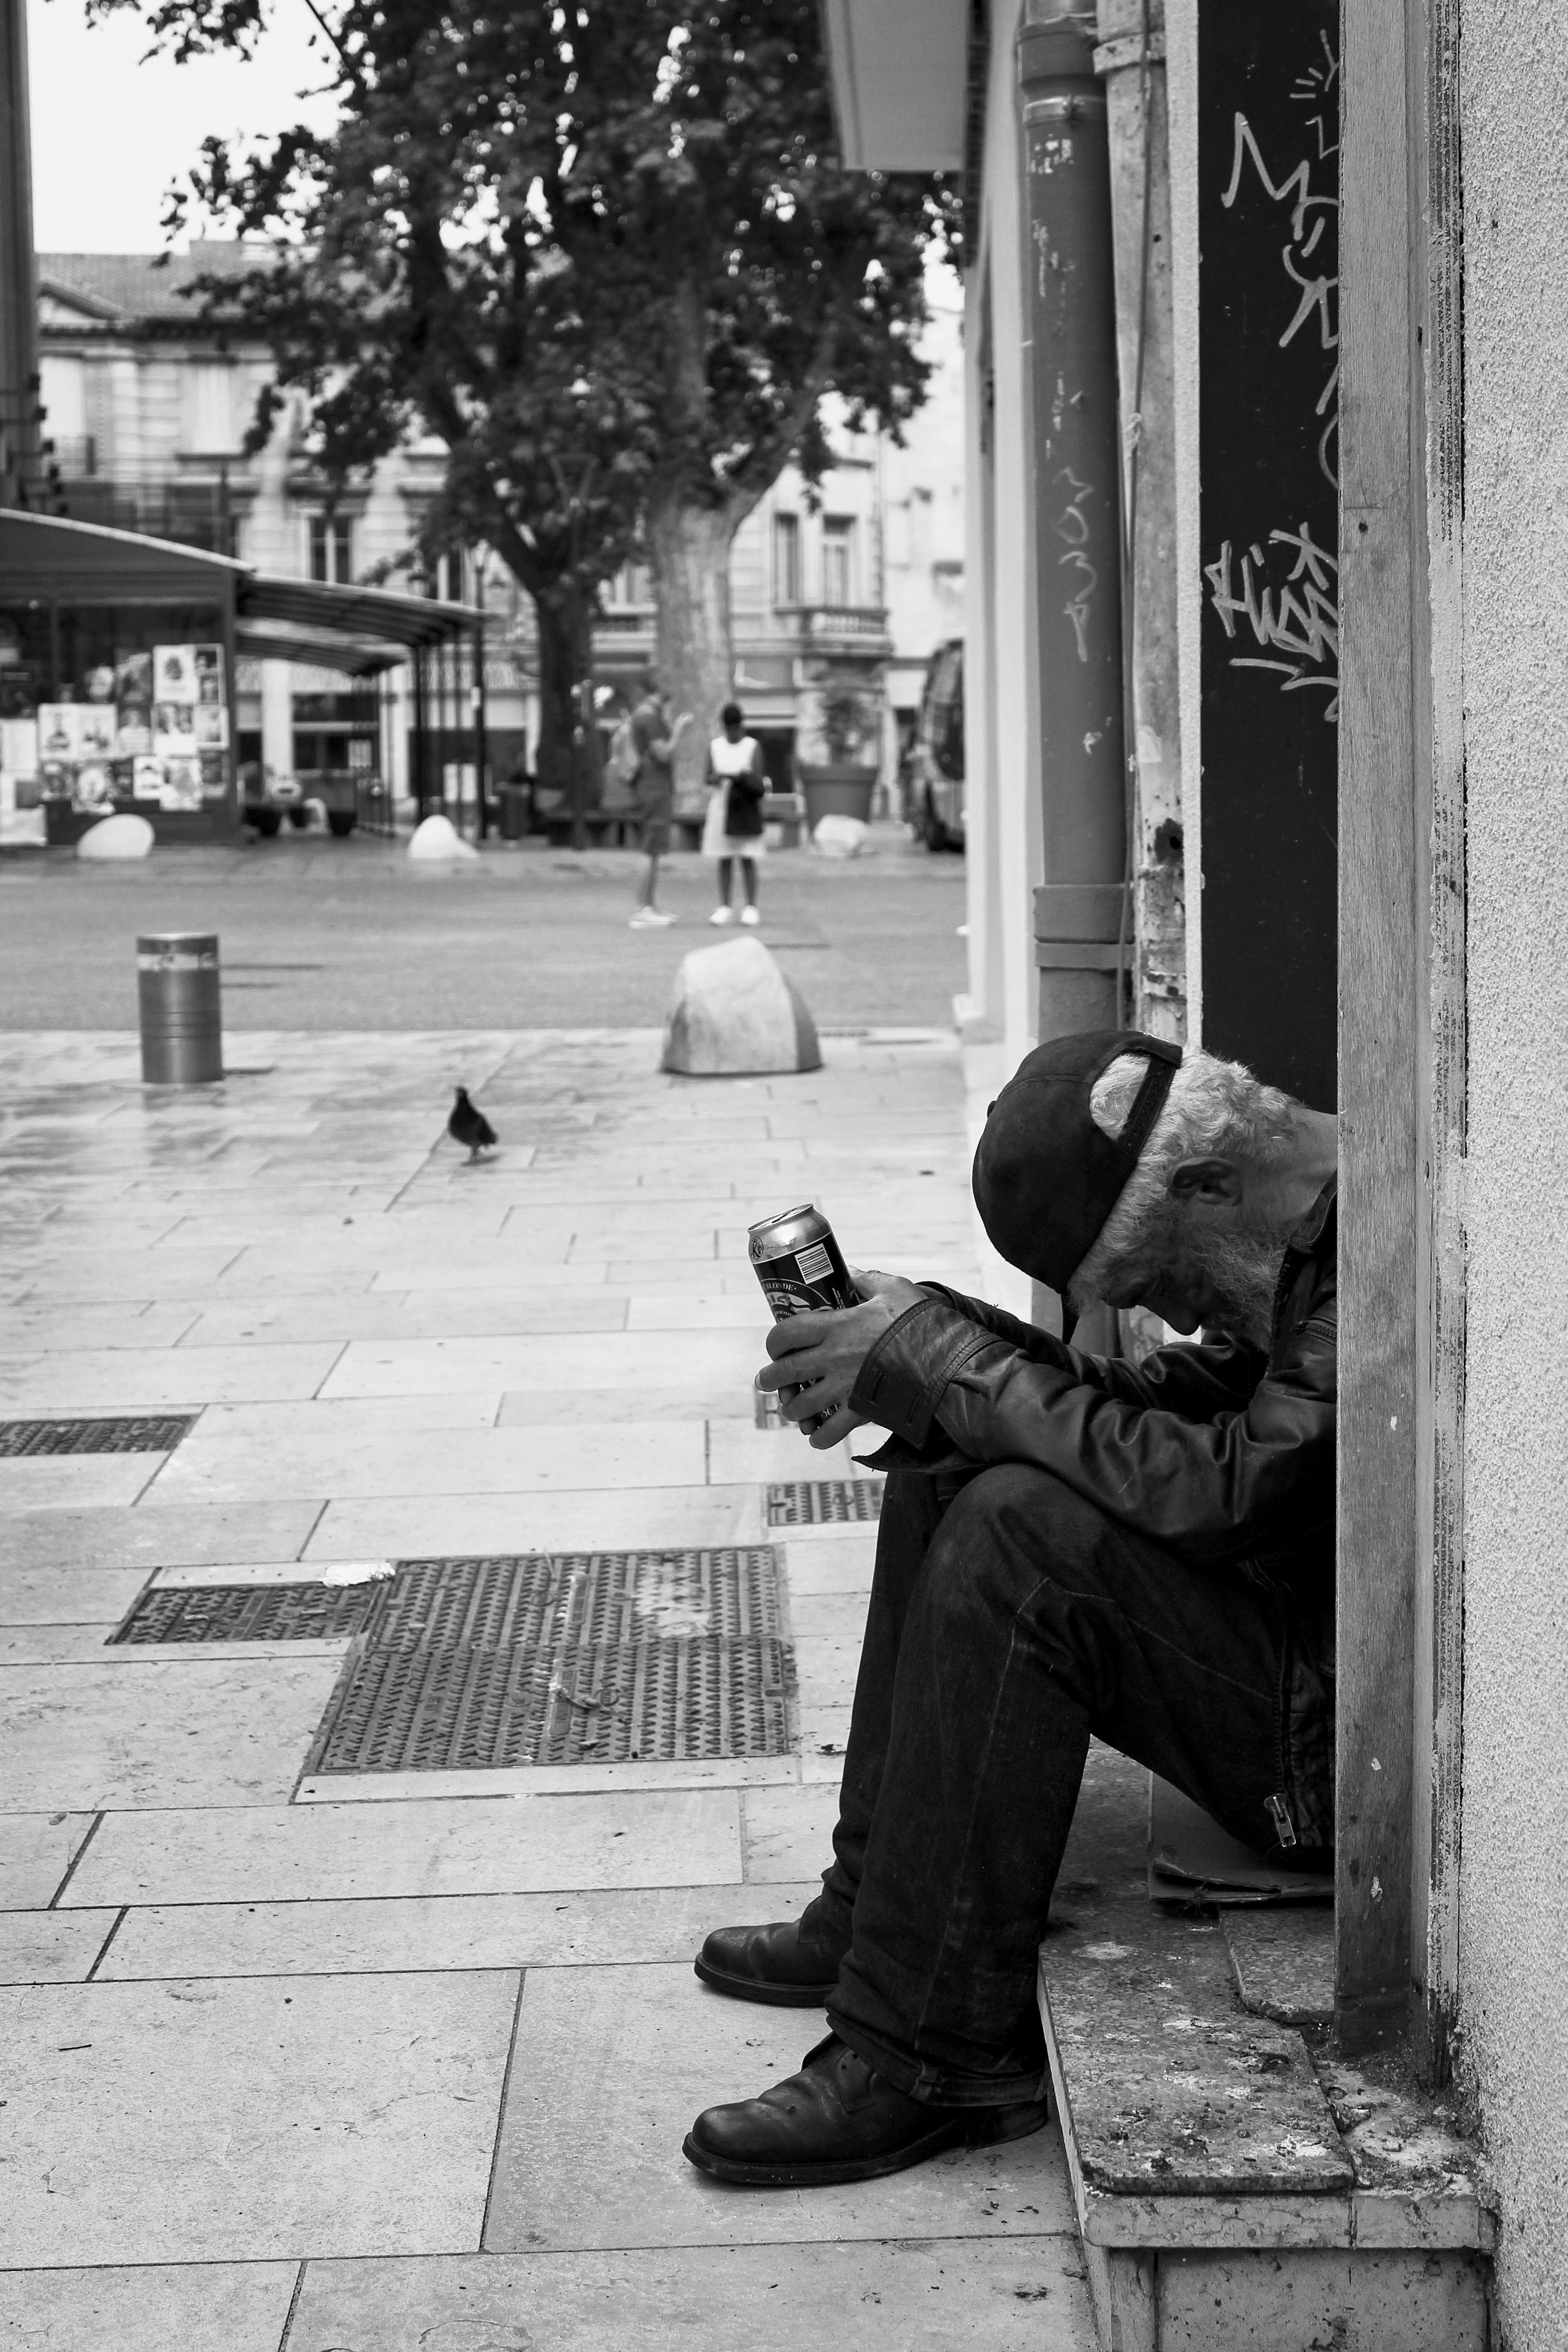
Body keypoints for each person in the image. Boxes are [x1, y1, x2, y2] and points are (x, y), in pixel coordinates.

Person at [682, 1029, 1338, 2188]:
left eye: (1158, 1282)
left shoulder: (1383, 1240)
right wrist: (942, 1339)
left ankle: (926, 2056)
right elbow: (1165, 1405)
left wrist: (954, 1365)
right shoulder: (1297, 1231)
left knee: (1020, 1533)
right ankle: (875, 1898)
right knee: (949, 1457)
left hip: (1330, 1757)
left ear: (1207, 1184)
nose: (1177, 1314)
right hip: (1292, 1655)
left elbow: (1235, 1486)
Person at [627, 672, 691, 929]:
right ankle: (643, 908)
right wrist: (679, 731)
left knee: (653, 848)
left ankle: (650, 906)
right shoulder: (650, 717)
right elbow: (663, 754)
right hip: (655, 786)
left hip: (651, 785)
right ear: (658, 687)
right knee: (650, 847)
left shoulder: (643, 715)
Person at [702, 702, 768, 926]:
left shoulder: (752, 747)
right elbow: (707, 777)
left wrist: (744, 777)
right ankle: (725, 906)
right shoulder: (715, 747)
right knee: (724, 858)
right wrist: (719, 777)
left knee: (748, 857)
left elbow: (759, 778)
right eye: (729, 729)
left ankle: (751, 906)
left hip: (746, 806)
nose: (733, 734)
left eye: (736, 729)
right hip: (722, 807)